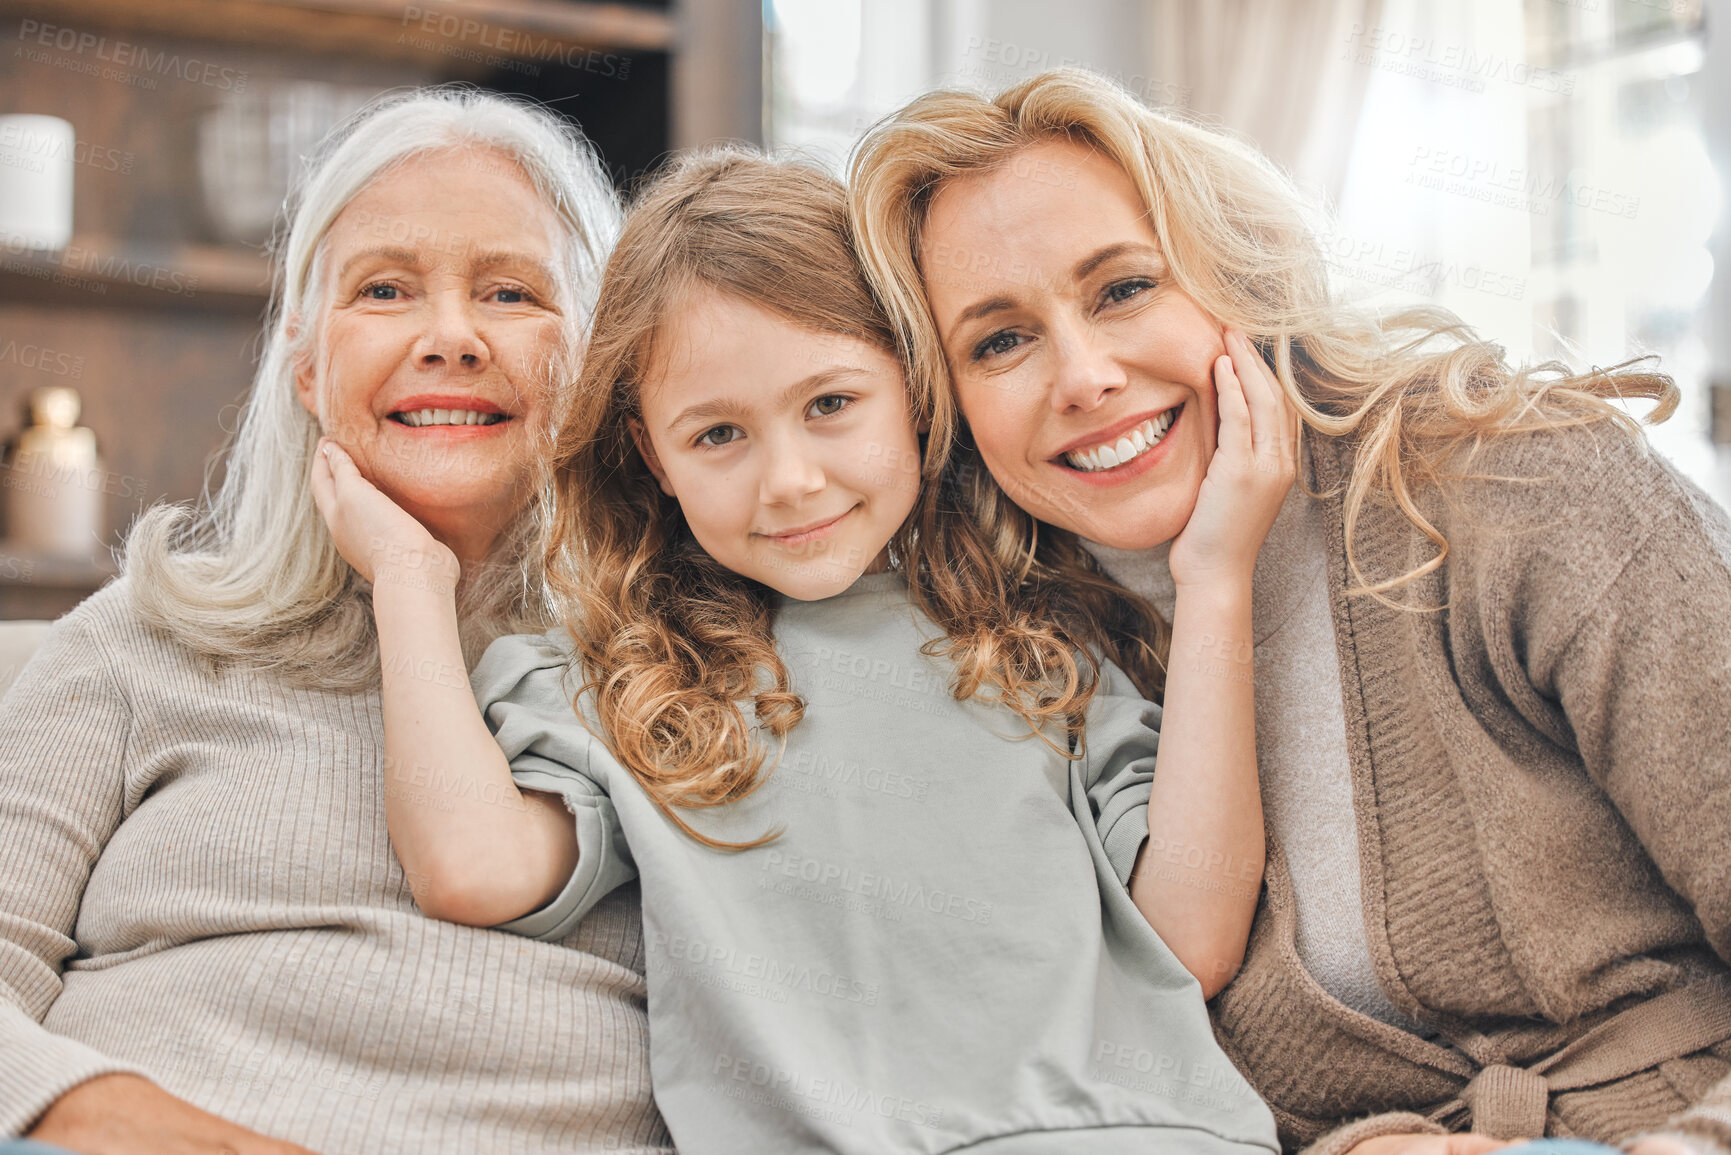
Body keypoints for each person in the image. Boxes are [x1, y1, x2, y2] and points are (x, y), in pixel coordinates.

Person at [310, 146, 1298, 1153]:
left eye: (831, 406)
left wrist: (1215, 580)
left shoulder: (1047, 638)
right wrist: (409, 580)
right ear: (651, 457)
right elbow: (472, 868)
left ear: (914, 393)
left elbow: (1193, 936)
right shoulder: (619, 684)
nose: (788, 481)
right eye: (718, 436)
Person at [847, 67, 1731, 1155]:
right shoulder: (1009, 668)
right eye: (998, 341)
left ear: (1237, 277)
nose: (1084, 376)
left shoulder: (1516, 490)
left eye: (1124, 288)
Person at [0, 89, 671, 1154]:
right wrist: (112, 1119)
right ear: (308, 364)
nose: (449, 337)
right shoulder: (134, 644)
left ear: (597, 362)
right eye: (385, 289)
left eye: (509, 292)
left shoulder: (687, 677)